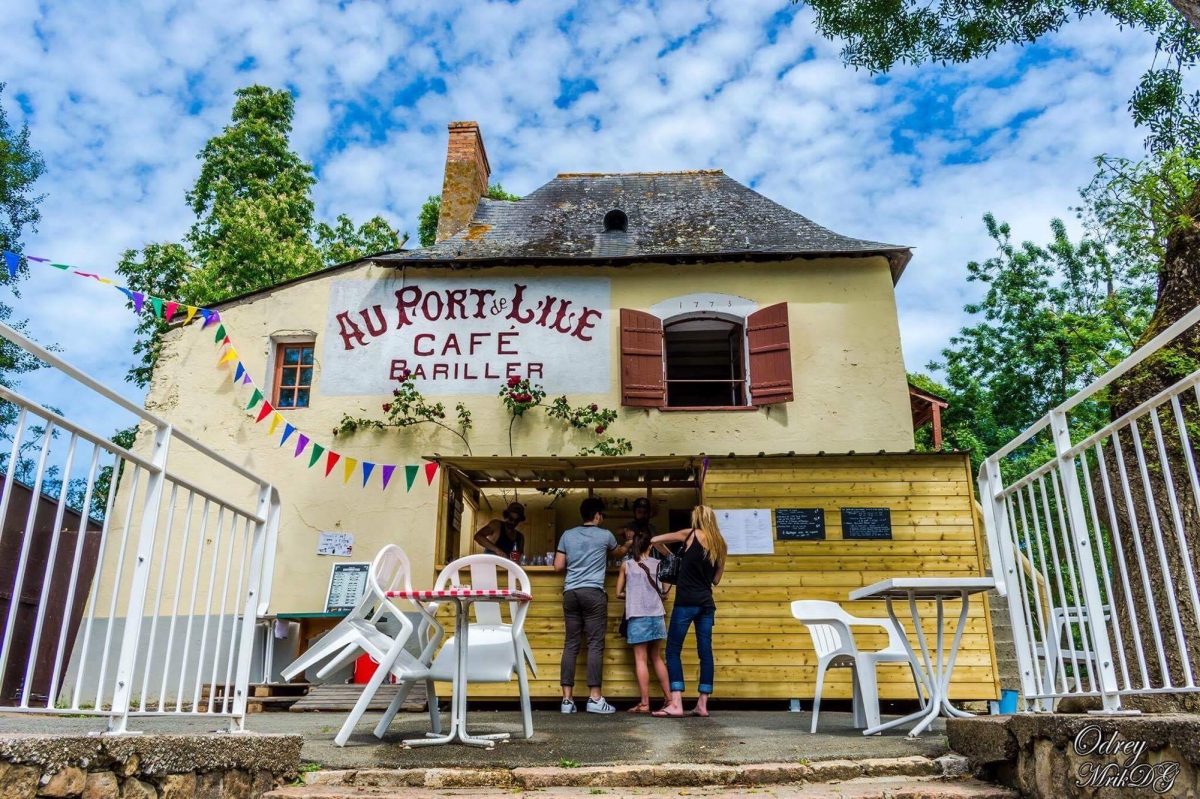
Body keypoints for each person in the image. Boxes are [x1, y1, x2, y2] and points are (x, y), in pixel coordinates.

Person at [554, 497, 630, 714]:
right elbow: (619, 554)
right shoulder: (605, 535)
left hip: (570, 593)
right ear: (597, 515)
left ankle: (567, 701)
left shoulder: (568, 534)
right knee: (595, 645)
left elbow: (558, 566)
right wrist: (628, 543)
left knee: (571, 644)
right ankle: (595, 699)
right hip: (593, 593)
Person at [650, 505, 727, 717]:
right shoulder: (721, 545)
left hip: (685, 602)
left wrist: (673, 556)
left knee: (673, 650)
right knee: (705, 653)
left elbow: (655, 540)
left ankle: (676, 704)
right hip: (706, 604)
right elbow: (716, 580)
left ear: (696, 519)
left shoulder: (690, 534)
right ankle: (702, 704)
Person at [616, 526, 671, 713]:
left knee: (641, 659)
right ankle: (670, 699)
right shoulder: (660, 564)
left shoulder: (627, 565)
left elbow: (618, 593)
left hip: (637, 615)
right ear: (650, 546)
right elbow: (665, 594)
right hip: (656, 614)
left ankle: (645, 703)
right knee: (656, 658)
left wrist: (632, 594)